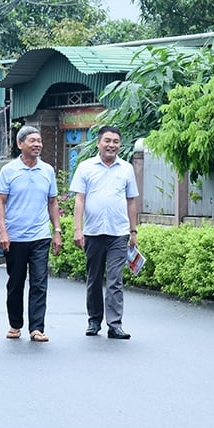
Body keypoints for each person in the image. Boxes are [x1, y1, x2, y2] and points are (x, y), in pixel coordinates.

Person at [70, 125, 139, 339]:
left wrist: (133, 231)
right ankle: (94, 321)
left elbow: (131, 201)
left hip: (118, 233)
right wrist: (78, 229)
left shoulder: (126, 168)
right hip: (93, 232)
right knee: (94, 278)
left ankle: (115, 324)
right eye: (107, 141)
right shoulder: (86, 167)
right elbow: (79, 199)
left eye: (116, 141)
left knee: (115, 279)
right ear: (99, 143)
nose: (112, 145)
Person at [0, 125, 62, 342]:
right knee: (15, 282)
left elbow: (53, 203)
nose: (37, 144)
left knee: (40, 282)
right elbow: (0, 203)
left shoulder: (47, 171)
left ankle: (37, 328)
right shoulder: (9, 171)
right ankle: (15, 325)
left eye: (39, 140)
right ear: (20, 144)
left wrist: (57, 231)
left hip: (40, 236)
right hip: (14, 237)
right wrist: (3, 232)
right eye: (32, 140)